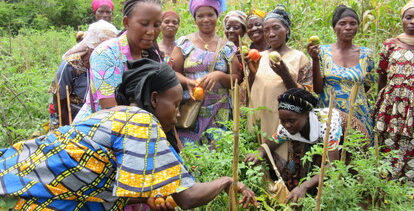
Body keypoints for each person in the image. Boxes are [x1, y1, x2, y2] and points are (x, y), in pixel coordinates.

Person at [0, 59, 258, 211]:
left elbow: (121, 181)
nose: (178, 115)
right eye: (176, 105)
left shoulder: (117, 114)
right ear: (154, 99)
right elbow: (186, 197)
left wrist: (152, 194)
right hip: (25, 196)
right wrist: (227, 181)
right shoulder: (140, 121)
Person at [244, 88, 369, 203]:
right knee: (308, 166)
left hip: (351, 137)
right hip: (322, 140)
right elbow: (271, 143)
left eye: (291, 121)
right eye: (283, 120)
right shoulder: (287, 126)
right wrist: (259, 152)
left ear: (306, 115)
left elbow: (333, 164)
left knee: (347, 176)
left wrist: (304, 186)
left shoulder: (327, 125)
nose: (286, 125)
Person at [74, 0, 164, 123]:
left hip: (139, 129)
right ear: (127, 22)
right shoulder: (106, 54)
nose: (151, 32)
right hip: (99, 131)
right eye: (144, 24)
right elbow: (111, 111)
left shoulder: (152, 55)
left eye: (156, 25)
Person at [172, 0, 242, 145]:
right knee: (191, 154)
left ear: (217, 15)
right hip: (191, 107)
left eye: (210, 14)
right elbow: (172, 72)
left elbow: (237, 79)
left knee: (217, 153)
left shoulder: (227, 47)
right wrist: (188, 81)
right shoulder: (184, 43)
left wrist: (219, 75)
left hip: (220, 110)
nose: (205, 19)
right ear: (194, 18)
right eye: (200, 15)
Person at [307, 5, 375, 135]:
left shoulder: (367, 54)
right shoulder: (322, 52)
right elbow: (317, 89)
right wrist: (315, 60)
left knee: (357, 149)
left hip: (358, 113)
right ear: (334, 28)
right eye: (342, 23)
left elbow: (366, 86)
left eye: (353, 24)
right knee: (328, 150)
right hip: (329, 114)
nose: (348, 27)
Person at [248, 5, 312, 142]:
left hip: (287, 124)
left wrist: (285, 75)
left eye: (276, 28)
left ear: (287, 29)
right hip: (259, 120)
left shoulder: (299, 58)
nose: (271, 34)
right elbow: (245, 93)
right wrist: (251, 75)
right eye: (266, 30)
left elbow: (307, 98)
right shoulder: (257, 57)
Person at [374, 0, 414, 187]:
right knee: (389, 145)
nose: (413, 22)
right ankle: (386, 187)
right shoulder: (390, 45)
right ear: (402, 19)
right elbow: (382, 76)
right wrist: (380, 101)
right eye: (408, 17)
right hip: (391, 107)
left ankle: (409, 191)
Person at [49, 20, 118, 129]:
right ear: (90, 47)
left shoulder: (112, 63)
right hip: (69, 116)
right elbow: (59, 101)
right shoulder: (70, 65)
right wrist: (68, 130)